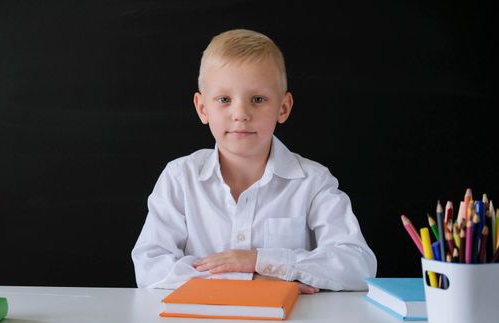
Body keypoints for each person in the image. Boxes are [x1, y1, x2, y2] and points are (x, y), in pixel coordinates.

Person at [132, 29, 377, 293]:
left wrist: (258, 260)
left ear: (283, 107)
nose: (241, 113)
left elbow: (358, 266)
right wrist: (253, 279)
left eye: (258, 99)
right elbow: (149, 267)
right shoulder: (180, 178)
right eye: (224, 99)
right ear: (202, 108)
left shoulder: (313, 181)